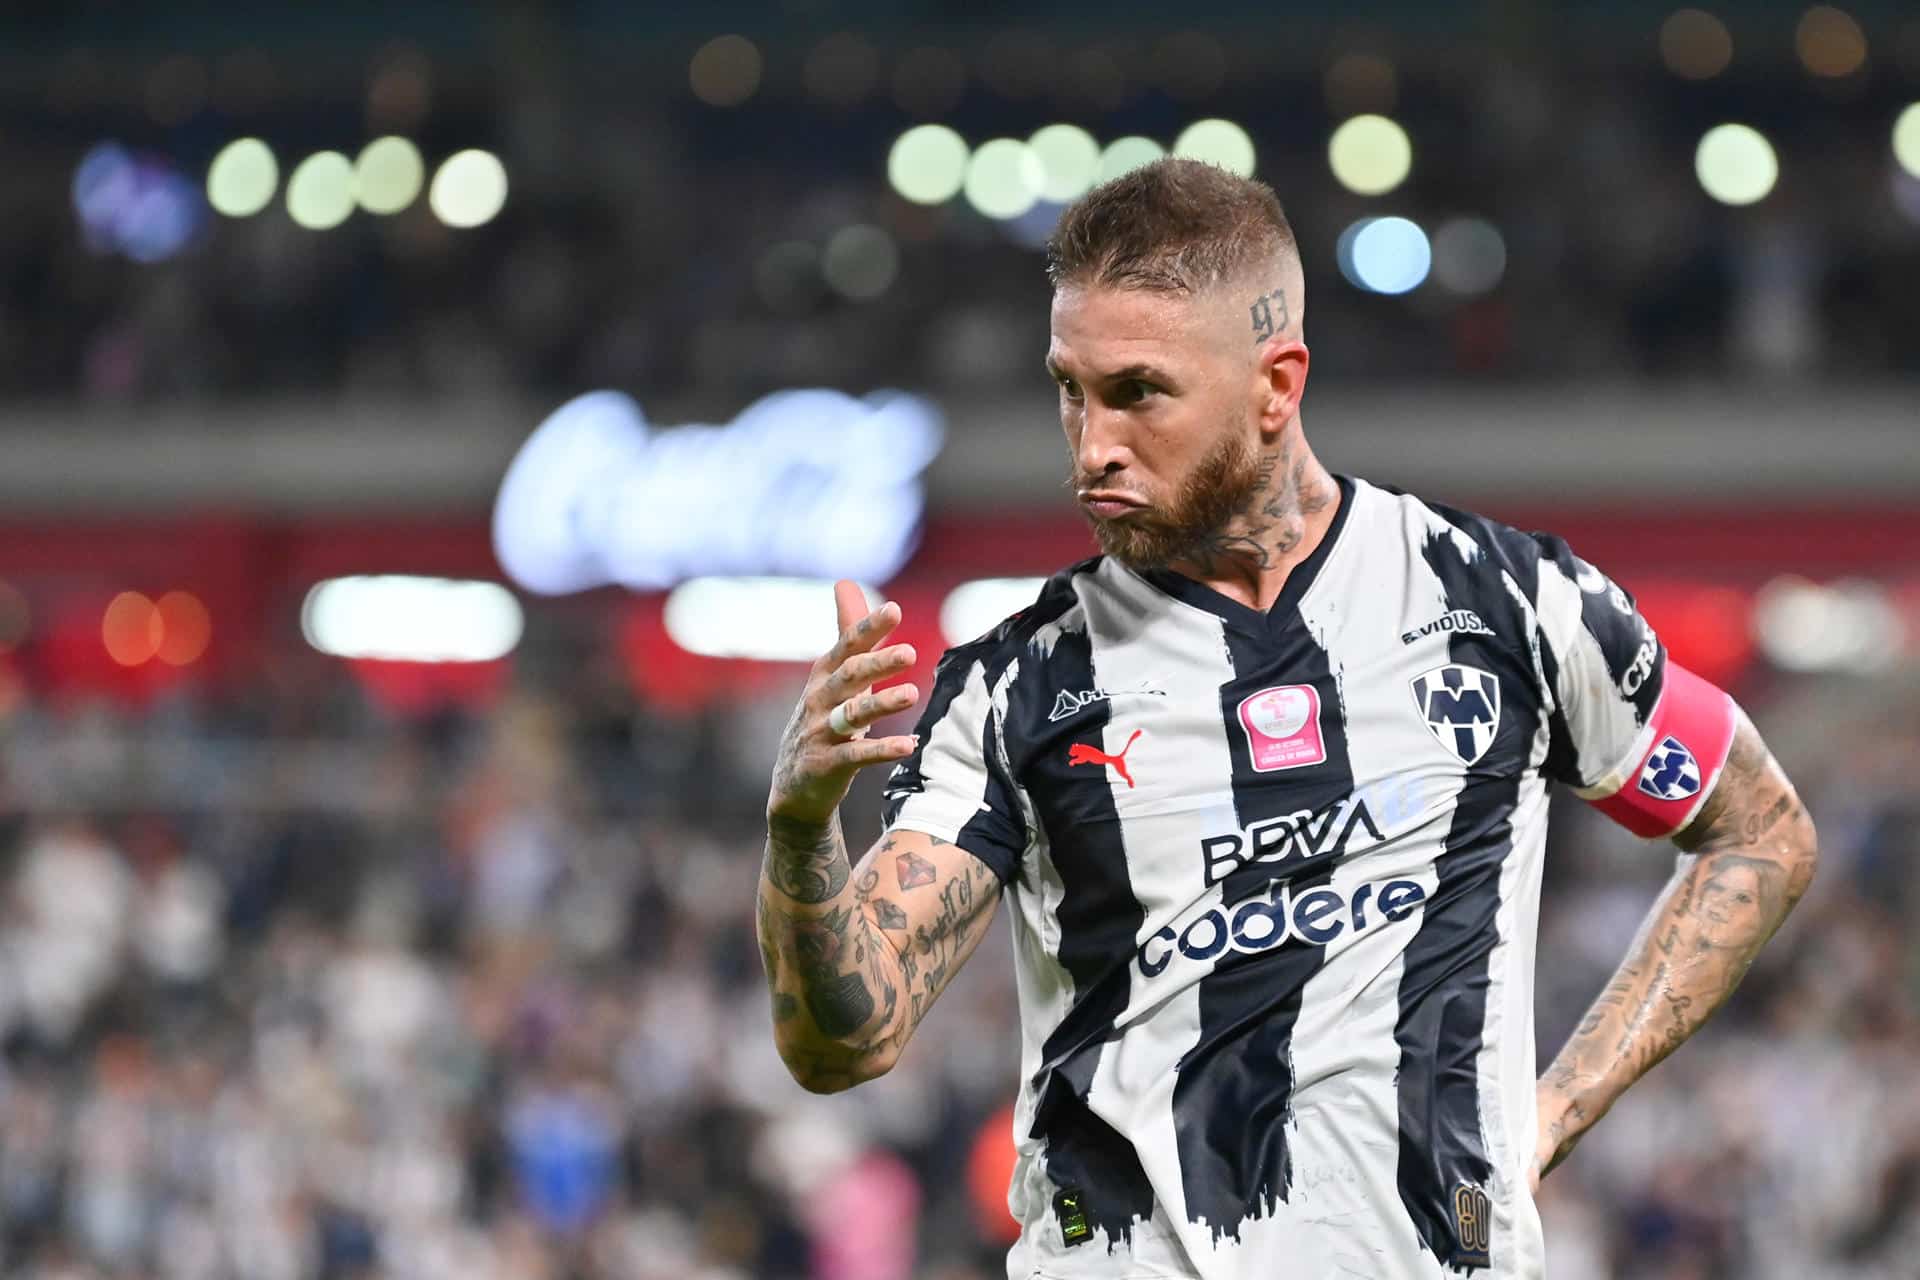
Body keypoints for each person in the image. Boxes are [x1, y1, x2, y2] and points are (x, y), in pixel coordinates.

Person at [755, 159, 1818, 1279]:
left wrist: (1550, 1111)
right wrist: (800, 827)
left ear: (1276, 384)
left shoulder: (1504, 603)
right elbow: (843, 1040)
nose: (1091, 444)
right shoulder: (1018, 684)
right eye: (1071, 387)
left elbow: (1759, 831)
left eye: (1139, 392)